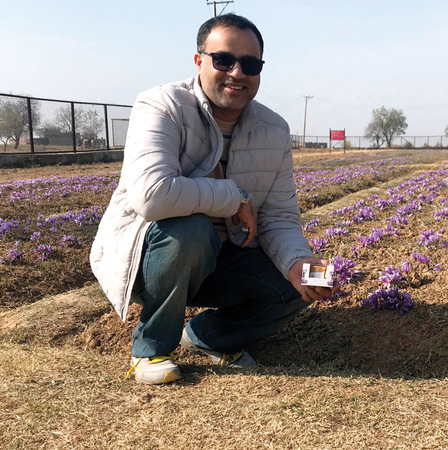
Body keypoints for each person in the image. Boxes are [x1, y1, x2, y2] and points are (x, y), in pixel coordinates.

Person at [90, 13, 337, 385]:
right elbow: (153, 195)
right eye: (224, 60)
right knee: (190, 230)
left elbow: (278, 216)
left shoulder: (274, 128)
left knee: (299, 284)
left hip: (226, 258)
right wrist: (233, 197)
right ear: (199, 61)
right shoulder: (161, 106)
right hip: (153, 257)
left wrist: (299, 262)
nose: (237, 72)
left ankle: (208, 336)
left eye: (250, 64)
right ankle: (151, 348)